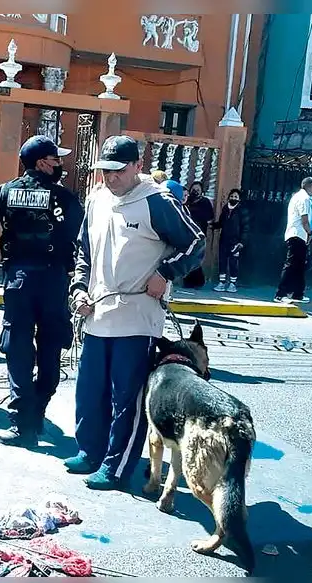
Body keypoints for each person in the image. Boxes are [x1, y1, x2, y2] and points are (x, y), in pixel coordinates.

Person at [66, 135, 206, 490]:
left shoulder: (157, 201)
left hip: (138, 315)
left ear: (136, 167)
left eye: (117, 171)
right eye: (104, 171)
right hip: (97, 311)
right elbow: (84, 252)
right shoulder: (96, 200)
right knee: (89, 390)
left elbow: (194, 243)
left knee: (126, 398)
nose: (109, 178)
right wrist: (79, 288)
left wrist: (165, 273)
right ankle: (90, 451)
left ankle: (116, 466)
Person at [0, 136, 85, 447]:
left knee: (18, 349)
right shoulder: (65, 199)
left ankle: (22, 424)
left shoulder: (6, 191)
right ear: (42, 162)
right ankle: (37, 414)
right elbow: (83, 238)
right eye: (56, 159)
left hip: (19, 281)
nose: (60, 164)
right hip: (55, 281)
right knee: (50, 346)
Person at [274, 177, 312, 304]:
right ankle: (280, 294)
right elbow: (305, 221)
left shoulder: (298, 197)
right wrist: (311, 234)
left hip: (299, 236)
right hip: (297, 235)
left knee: (299, 267)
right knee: (291, 265)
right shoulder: (304, 199)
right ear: (311, 186)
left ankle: (297, 294)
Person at [212, 188, 250, 293]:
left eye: (236, 197)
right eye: (232, 196)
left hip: (235, 242)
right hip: (224, 240)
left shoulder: (242, 211)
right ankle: (222, 283)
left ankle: (233, 284)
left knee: (233, 262)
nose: (233, 198)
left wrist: (241, 242)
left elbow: (245, 227)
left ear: (239, 199)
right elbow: (221, 222)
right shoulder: (225, 209)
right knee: (222, 261)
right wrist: (213, 225)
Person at [182, 180, 215, 289]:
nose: (195, 192)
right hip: (187, 234)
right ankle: (187, 281)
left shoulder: (205, 202)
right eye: (193, 189)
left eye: (198, 190)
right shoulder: (187, 201)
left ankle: (198, 281)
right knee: (187, 257)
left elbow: (210, 218)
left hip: (199, 234)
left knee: (196, 258)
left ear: (201, 191)